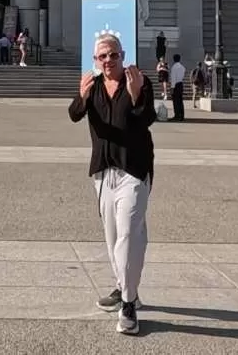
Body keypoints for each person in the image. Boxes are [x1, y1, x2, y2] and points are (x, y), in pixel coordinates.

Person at [68, 34, 154, 336]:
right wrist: (81, 95)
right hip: (104, 172)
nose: (108, 61)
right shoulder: (92, 87)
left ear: (122, 55)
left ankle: (128, 305)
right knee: (115, 237)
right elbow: (74, 115)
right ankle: (124, 286)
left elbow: (147, 119)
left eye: (113, 55)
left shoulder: (138, 82)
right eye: (102, 56)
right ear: (95, 60)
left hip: (134, 169)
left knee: (128, 234)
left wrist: (133, 95)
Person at [169, 54, 187, 121]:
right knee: (180, 101)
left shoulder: (174, 67)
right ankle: (181, 116)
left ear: (174, 59)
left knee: (175, 101)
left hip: (176, 85)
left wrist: (172, 88)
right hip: (180, 84)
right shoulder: (182, 67)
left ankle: (177, 116)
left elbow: (173, 78)